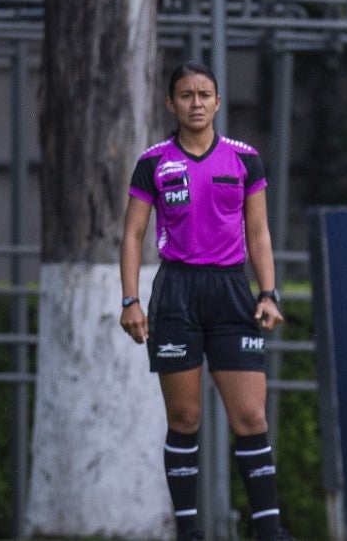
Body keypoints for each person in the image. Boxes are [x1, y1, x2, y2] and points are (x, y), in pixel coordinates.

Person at [119, 61, 288, 541]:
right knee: (185, 418)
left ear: (217, 102)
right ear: (171, 103)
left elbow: (258, 231)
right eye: (186, 95)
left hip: (232, 294)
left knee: (251, 416)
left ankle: (268, 530)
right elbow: (132, 235)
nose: (196, 103)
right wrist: (130, 299)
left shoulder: (244, 158)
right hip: (177, 294)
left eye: (205, 94)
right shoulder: (154, 161)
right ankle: (188, 532)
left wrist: (268, 293)